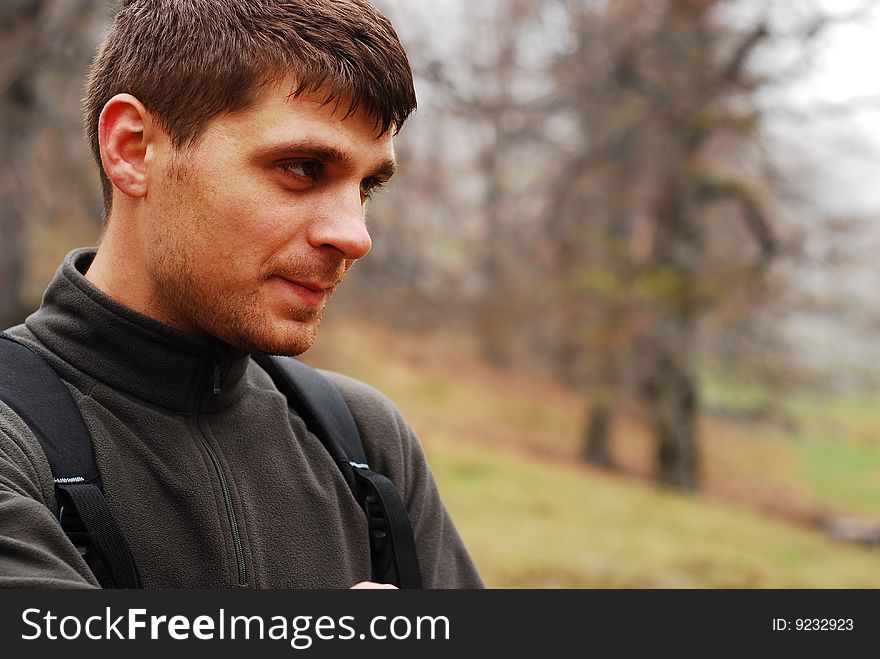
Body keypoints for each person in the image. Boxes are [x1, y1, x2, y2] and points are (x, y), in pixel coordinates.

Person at [0, 0, 482, 589]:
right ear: (132, 148)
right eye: (303, 168)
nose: (355, 236)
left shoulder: (365, 444)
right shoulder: (13, 442)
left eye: (367, 187)